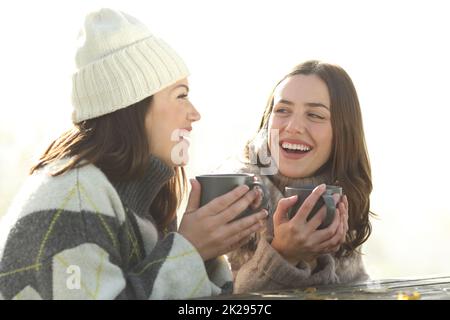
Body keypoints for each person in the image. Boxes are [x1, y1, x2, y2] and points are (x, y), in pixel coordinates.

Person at [0, 8, 267, 300]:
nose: (195, 114)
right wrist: (189, 249)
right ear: (133, 106)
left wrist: (204, 250)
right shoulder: (76, 196)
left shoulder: (142, 201)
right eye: (181, 95)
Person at [225, 60, 373, 293]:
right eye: (282, 110)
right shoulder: (234, 193)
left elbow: (356, 287)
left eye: (314, 115)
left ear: (343, 132)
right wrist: (283, 255)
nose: (293, 127)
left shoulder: (338, 191)